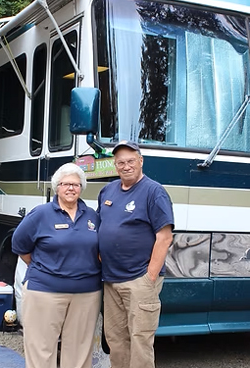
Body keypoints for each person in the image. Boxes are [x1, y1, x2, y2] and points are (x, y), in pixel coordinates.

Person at [12, 162, 102, 368]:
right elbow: (19, 245)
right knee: (42, 349)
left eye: (76, 184)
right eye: (65, 184)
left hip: (86, 294)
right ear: (56, 187)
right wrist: (46, 268)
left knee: (79, 351)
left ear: (82, 188)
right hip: (45, 292)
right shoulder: (41, 214)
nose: (71, 188)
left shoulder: (92, 216)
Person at [97, 140, 174, 368]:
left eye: (131, 161)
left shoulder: (154, 192)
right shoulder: (107, 190)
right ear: (115, 165)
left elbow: (165, 237)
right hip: (111, 280)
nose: (126, 166)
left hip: (139, 279)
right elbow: (101, 225)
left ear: (141, 161)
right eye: (121, 162)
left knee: (140, 339)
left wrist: (149, 277)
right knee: (115, 339)